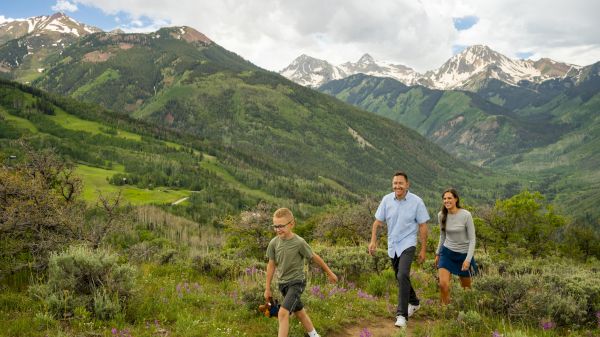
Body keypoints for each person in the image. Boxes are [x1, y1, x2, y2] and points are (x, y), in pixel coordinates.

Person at [368, 171, 429, 328]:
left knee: (402, 274)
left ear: (407, 185)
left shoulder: (417, 202)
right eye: (395, 183)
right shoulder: (387, 200)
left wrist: (423, 250)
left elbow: (423, 226)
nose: (397, 186)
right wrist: (373, 241)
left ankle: (402, 315)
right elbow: (377, 222)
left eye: (400, 183)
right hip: (393, 245)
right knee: (400, 277)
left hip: (408, 243)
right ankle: (414, 302)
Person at [265, 208, 338, 337]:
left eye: (281, 226)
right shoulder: (273, 243)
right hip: (283, 284)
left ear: (291, 224)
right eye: (275, 226)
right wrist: (267, 288)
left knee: (282, 313)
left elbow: (314, 257)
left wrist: (330, 273)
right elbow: (271, 265)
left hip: (297, 282)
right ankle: (315, 335)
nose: (278, 229)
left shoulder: (299, 242)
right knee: (300, 312)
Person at [434, 188, 478, 305]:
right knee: (443, 284)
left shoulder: (466, 215)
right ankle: (445, 310)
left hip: (463, 255)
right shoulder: (441, 215)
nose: (446, 201)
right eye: (444, 198)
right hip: (447, 253)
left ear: (456, 199)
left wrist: (468, 260)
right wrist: (438, 253)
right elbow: (442, 236)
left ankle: (468, 310)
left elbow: (472, 239)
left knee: (466, 289)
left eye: (449, 198)